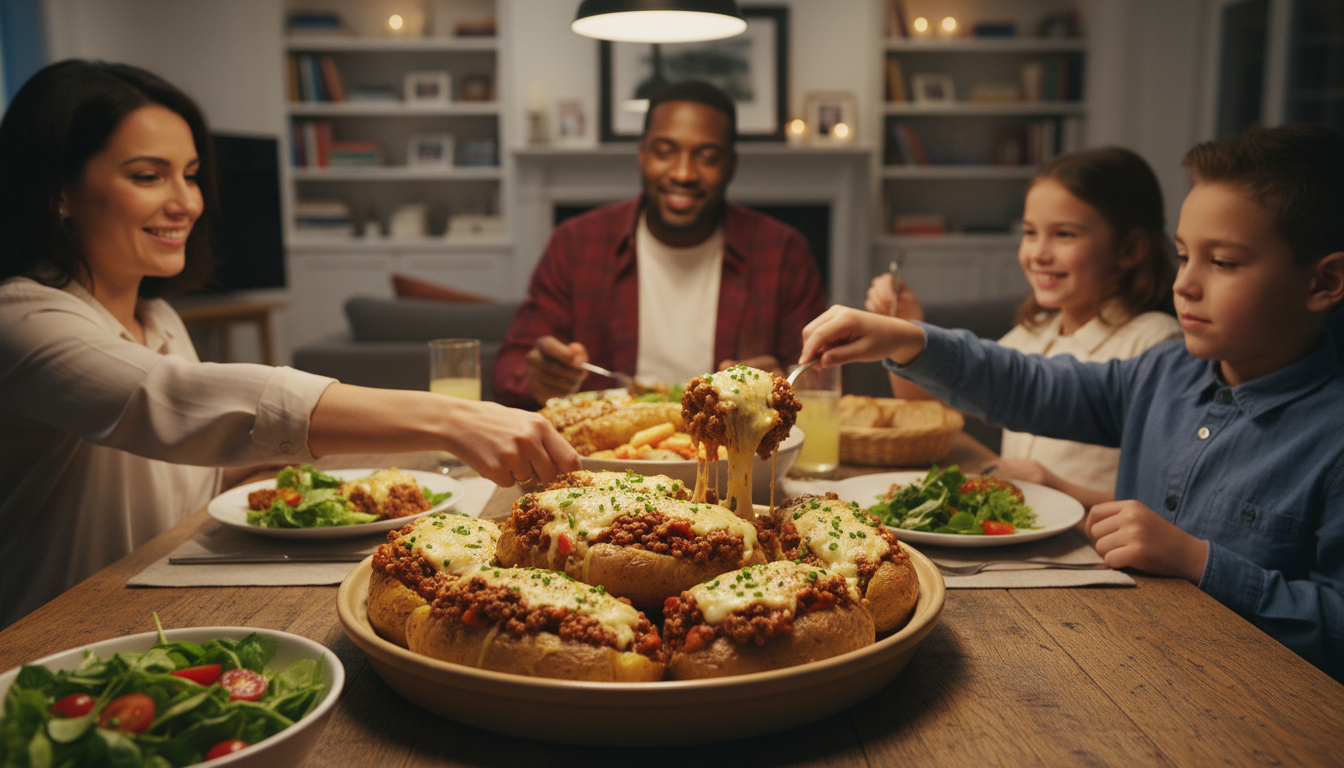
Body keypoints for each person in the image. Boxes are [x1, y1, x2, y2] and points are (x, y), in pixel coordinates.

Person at [0, 60, 579, 628]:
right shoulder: (20, 319)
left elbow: (183, 469)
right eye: (149, 176)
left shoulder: (160, 318)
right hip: (54, 637)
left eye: (192, 173)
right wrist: (457, 419)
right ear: (59, 192)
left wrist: (278, 470)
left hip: (157, 611)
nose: (187, 202)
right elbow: (170, 402)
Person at [798, 124, 1344, 681]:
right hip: (1123, 655)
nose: (1186, 284)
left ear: (1324, 282)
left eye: (1223, 262)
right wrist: (910, 338)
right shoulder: (1163, 373)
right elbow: (1031, 385)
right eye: (1183, 256)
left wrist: (1197, 561)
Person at [867, 148, 1182, 508]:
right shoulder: (1033, 334)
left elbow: (1169, 505)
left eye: (1064, 234)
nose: (1038, 253)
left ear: (1130, 249)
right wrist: (906, 327)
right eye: (1030, 232)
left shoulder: (1156, 343)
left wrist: (1057, 489)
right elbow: (925, 407)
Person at [493, 80, 827, 408]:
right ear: (642, 154)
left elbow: (823, 381)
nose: (683, 173)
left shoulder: (783, 252)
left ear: (730, 165)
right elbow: (510, 369)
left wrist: (784, 384)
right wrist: (538, 377)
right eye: (665, 152)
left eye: (707, 157)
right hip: (605, 453)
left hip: (732, 456)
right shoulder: (576, 243)